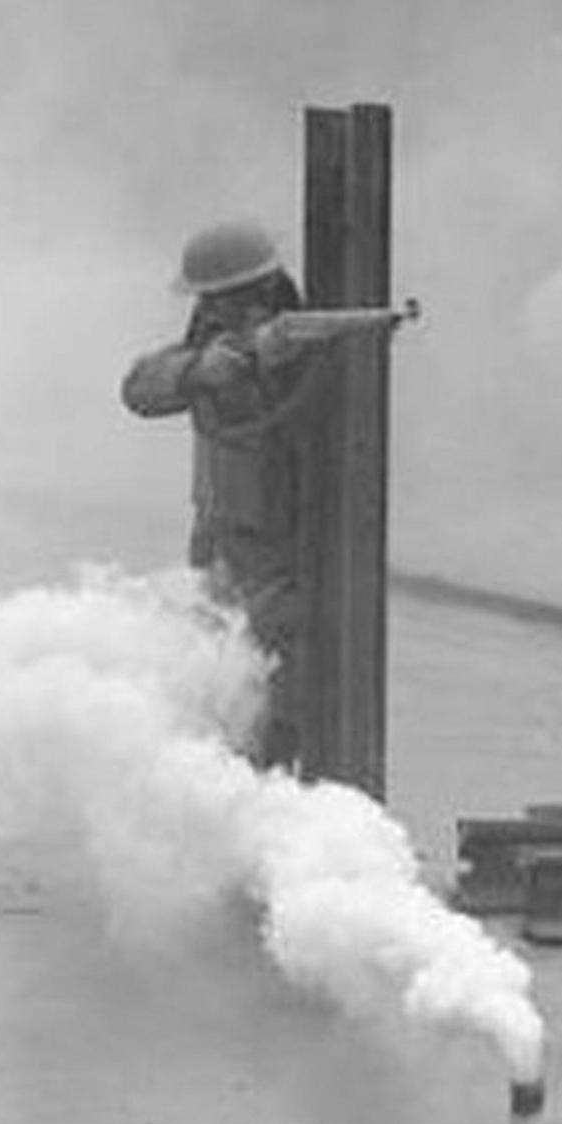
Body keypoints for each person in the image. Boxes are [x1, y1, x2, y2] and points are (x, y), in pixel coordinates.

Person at [122, 220, 411, 769]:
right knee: (216, 697)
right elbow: (139, 388)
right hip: (222, 552)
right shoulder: (210, 353)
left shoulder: (303, 352)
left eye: (229, 302)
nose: (220, 312)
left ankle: (269, 811)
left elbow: (312, 426)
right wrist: (201, 370)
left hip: (283, 559)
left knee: (278, 706)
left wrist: (273, 366)